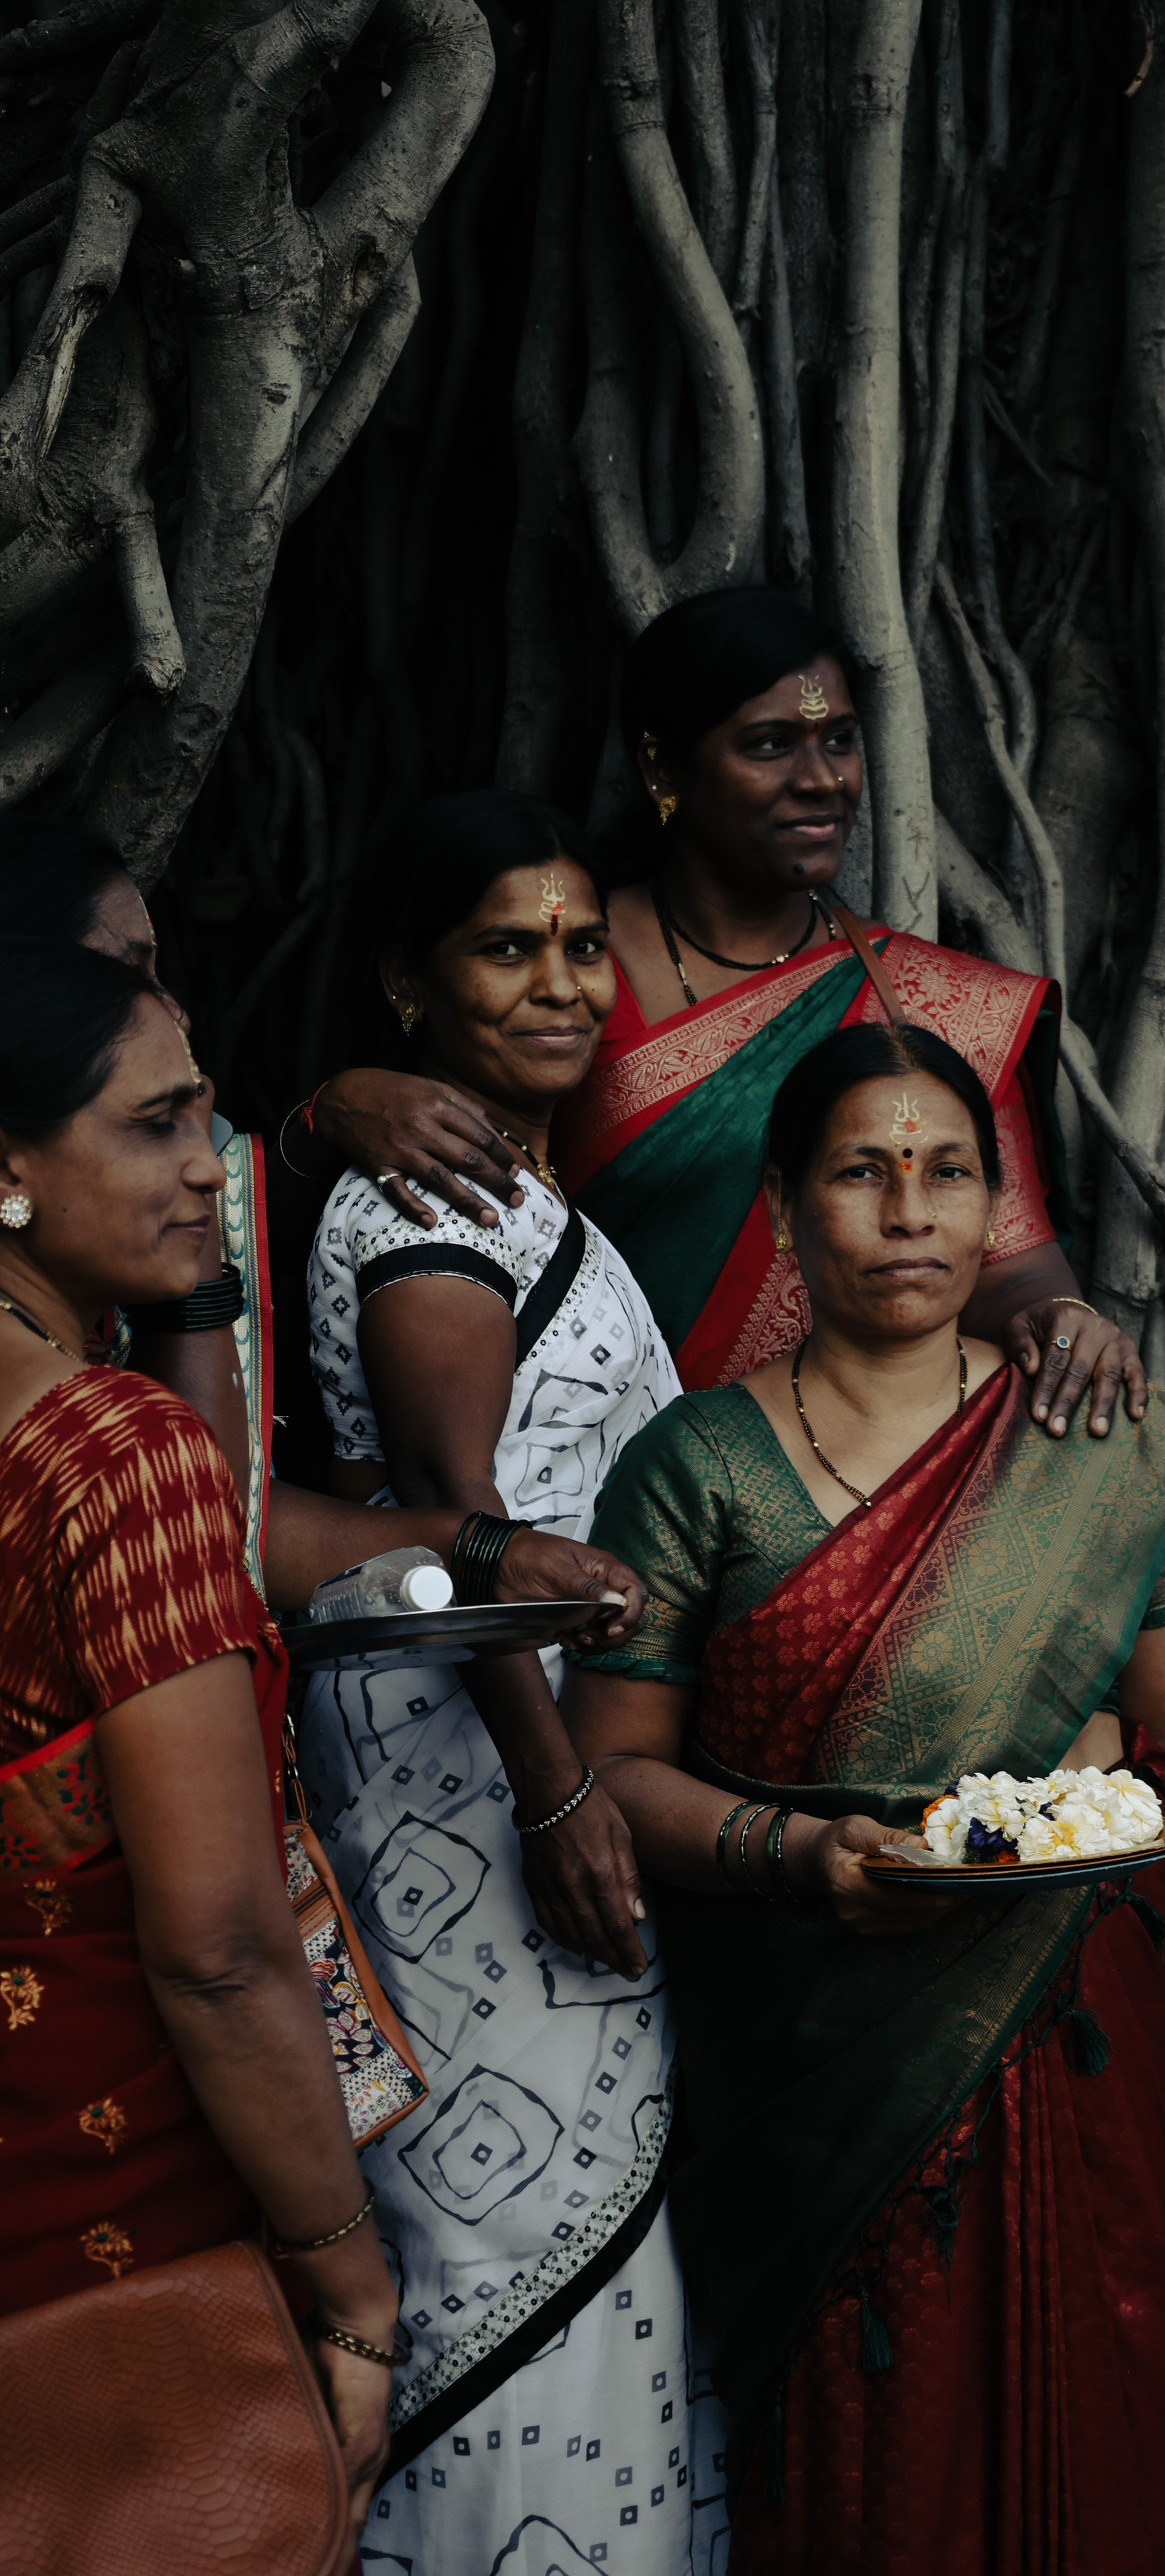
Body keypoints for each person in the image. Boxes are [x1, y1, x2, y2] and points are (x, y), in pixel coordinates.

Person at [564, 1020, 1165, 2575]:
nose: (907, 1214)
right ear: (782, 1204)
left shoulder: (1097, 1438)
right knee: (864, 2474)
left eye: (947, 1173)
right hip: (811, 2064)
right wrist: (796, 1847)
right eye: (862, 1174)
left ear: (995, 1207)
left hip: (1084, 2030)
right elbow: (611, 1769)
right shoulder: (697, 1467)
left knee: (1112, 2427)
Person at [294, 792, 723, 2574]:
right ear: (410, 980)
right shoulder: (431, 1226)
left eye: (575, 942)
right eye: (502, 946)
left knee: (570, 2244)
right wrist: (558, 1793)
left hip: (492, 1809)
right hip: (476, 1818)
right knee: (516, 2262)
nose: (559, 982)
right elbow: (463, 1538)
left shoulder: (512, 1193)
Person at [0, 938, 399, 2546]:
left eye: (211, 1118)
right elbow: (223, 1947)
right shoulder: (113, 1461)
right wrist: (349, 2281)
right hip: (117, 2260)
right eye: (156, 1125)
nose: (207, 1170)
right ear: (7, 1173)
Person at [0, 814, 635, 1627]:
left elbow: (232, 1524)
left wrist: (491, 1555)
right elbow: (198, 1553)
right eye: (126, 976)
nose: (176, 1014)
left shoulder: (161, 1235)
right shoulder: (418, 1214)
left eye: (586, 946)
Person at [550, 584, 1148, 1441]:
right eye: (769, 746)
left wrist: (1058, 1318)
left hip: (834, 1482)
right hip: (569, 1477)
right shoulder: (567, 971)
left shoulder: (933, 1007)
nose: (822, 779)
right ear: (662, 769)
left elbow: (1010, 1264)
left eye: (839, 740)